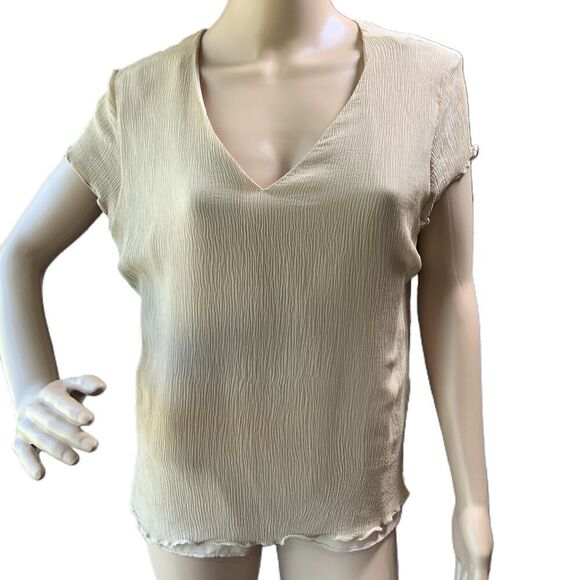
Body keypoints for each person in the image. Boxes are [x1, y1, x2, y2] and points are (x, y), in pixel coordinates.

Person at [0, 4, 493, 580]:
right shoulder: (138, 99)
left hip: (346, 468)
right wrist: (29, 385)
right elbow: (19, 253)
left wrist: (473, 499)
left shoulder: (424, 83)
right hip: (190, 470)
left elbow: (451, 290)